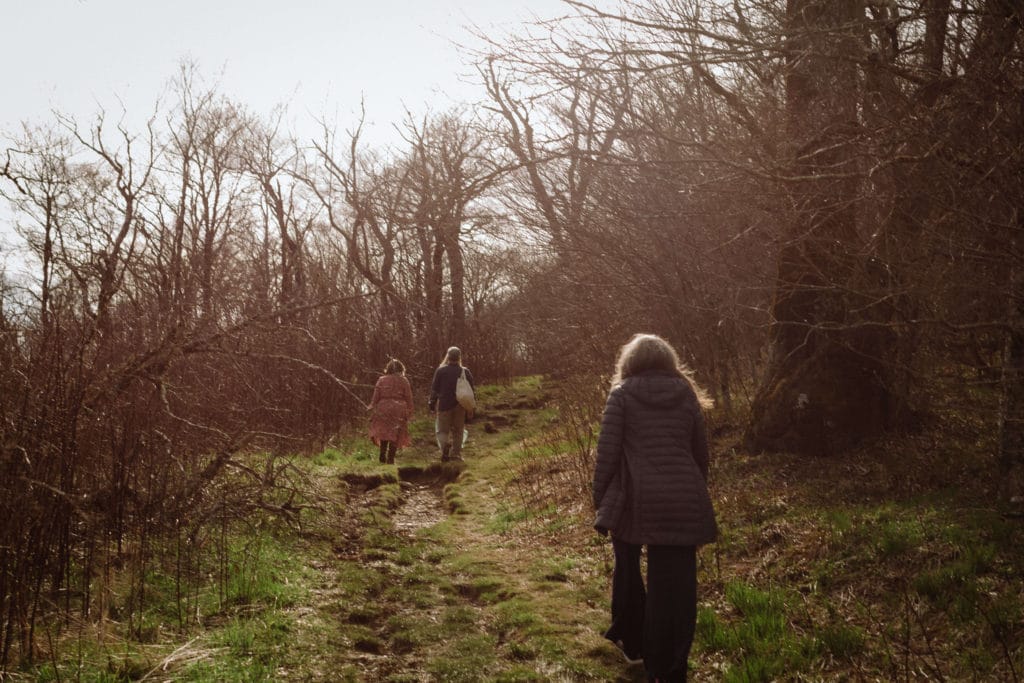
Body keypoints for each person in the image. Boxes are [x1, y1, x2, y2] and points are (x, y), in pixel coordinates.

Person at [592, 333, 717, 683]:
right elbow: (700, 453)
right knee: (676, 588)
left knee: (628, 567)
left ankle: (633, 641)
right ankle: (671, 665)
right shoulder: (686, 394)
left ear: (629, 362)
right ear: (669, 361)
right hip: (682, 497)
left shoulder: (622, 395)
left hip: (635, 500)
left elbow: (607, 454)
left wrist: (601, 500)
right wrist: (693, 492)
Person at [428, 346, 474, 462]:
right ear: (459, 357)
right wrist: (471, 408)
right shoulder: (465, 371)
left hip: (444, 405)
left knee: (442, 430)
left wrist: (432, 403)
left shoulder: (441, 371)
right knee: (458, 430)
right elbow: (471, 391)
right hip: (460, 405)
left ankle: (445, 449)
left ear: (448, 357)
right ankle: (456, 454)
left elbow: (435, 389)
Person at [368, 358, 415, 464]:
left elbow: (376, 396)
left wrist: (372, 406)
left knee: (384, 431)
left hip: (383, 407)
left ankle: (382, 453)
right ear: (401, 369)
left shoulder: (381, 379)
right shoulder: (404, 380)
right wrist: (410, 410)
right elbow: (408, 397)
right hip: (399, 408)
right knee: (396, 432)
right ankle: (391, 458)